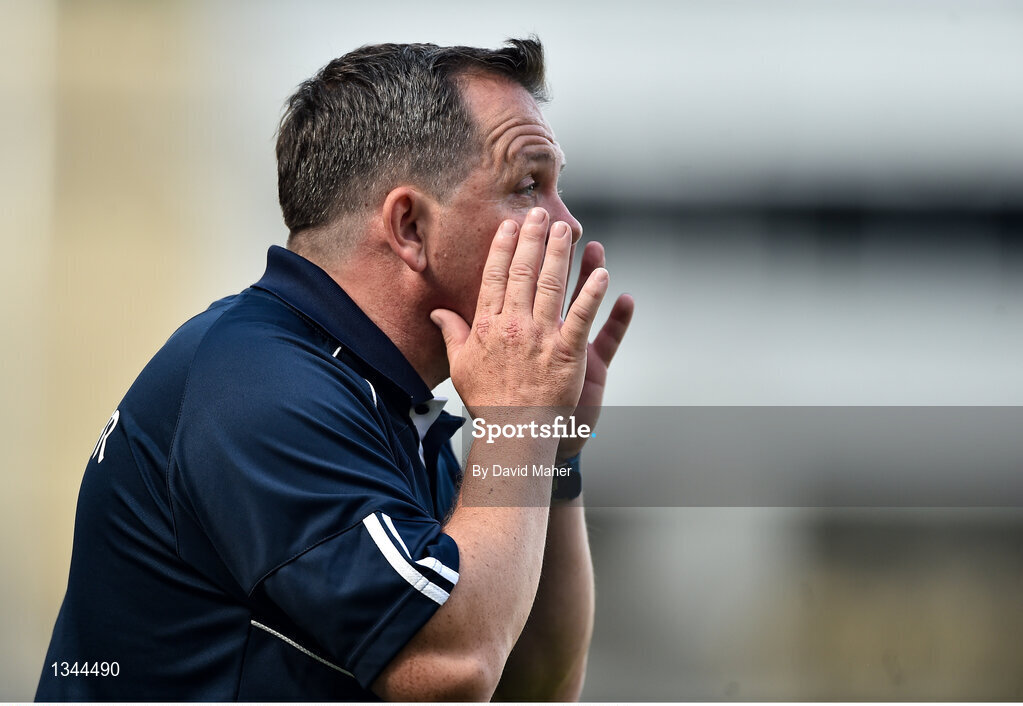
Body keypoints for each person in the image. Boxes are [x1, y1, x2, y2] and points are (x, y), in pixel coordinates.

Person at [37, 38, 634, 701]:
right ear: (408, 226)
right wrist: (518, 418)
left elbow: (534, 685)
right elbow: (451, 670)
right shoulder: (261, 386)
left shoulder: (377, 399)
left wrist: (550, 450)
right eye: (528, 185)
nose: (568, 224)